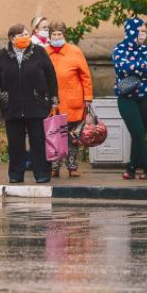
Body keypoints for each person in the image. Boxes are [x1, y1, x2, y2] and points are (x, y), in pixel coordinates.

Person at [0, 24, 59, 184]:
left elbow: (51, 76)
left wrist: (52, 98)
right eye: (21, 35)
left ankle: (42, 173)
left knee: (38, 142)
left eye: (27, 34)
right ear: (12, 38)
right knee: (15, 143)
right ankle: (15, 174)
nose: (25, 37)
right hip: (12, 107)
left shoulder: (39, 52)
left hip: (37, 105)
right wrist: (1, 99)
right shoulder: (2, 55)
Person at [113, 18, 147, 180]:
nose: (144, 34)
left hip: (146, 98)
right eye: (141, 31)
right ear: (132, 31)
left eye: (145, 31)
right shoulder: (119, 49)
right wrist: (142, 68)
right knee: (138, 132)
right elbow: (122, 68)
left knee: (138, 134)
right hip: (127, 99)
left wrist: (134, 68)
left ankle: (131, 168)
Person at [47, 21, 93, 178]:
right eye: (54, 34)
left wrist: (88, 97)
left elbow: (85, 76)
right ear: (50, 36)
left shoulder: (75, 52)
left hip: (73, 101)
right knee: (54, 135)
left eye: (59, 34)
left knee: (73, 136)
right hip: (52, 103)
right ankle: (55, 166)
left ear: (64, 35)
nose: (57, 37)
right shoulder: (44, 52)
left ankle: (72, 166)